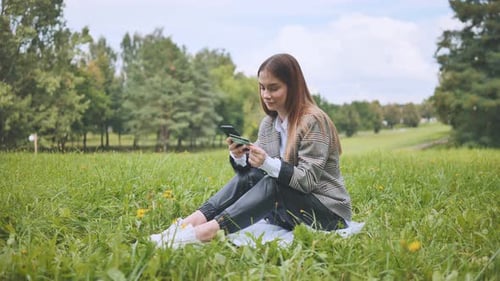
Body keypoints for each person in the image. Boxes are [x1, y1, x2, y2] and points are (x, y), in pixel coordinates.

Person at [150, 53, 352, 248]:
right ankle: (188, 224)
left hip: (327, 215)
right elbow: (252, 172)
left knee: (274, 182)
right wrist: (239, 156)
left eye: (274, 88)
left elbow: (306, 181)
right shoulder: (269, 124)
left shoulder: (312, 121)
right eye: (262, 88)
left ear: (294, 87)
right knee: (253, 175)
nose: (266, 95)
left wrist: (266, 162)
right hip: (287, 213)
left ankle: (206, 232)